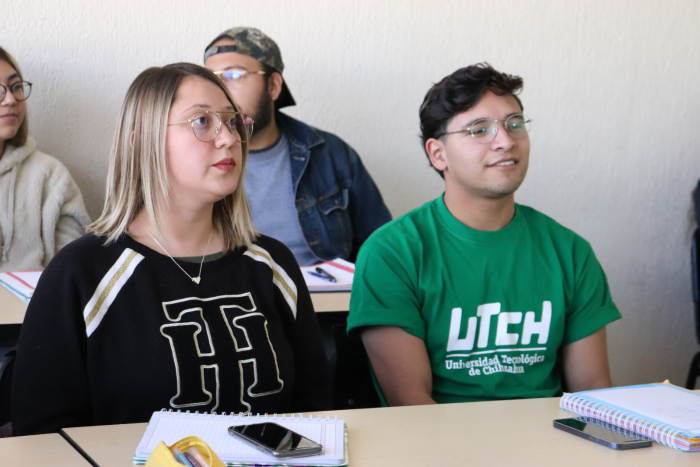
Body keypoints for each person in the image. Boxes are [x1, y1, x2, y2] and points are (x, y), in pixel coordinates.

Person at [11, 63, 331, 436]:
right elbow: (42, 436)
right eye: (202, 122)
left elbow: (315, 412)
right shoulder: (80, 274)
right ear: (142, 142)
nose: (228, 138)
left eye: (232, 122)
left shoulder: (274, 264)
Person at [347, 63, 621, 406]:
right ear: (438, 154)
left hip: (548, 435)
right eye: (480, 130)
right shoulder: (392, 252)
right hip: (437, 436)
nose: (505, 141)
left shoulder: (570, 251)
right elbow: (411, 403)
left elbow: (593, 394)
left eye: (514, 124)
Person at [203, 27, 391, 265]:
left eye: (234, 75)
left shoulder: (330, 153)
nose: (221, 91)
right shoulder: (196, 157)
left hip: (324, 288)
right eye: (211, 79)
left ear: (273, 86)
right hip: (239, 288)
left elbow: (382, 247)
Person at [0, 46, 89, 272]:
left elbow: (75, 265)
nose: (10, 99)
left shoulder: (51, 175)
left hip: (35, 294)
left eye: (15, 86)